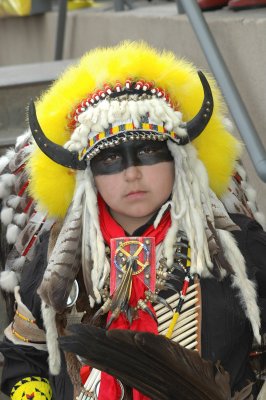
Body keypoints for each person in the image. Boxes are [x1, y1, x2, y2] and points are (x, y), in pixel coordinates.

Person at [0, 41, 265, 400]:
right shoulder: (57, 258)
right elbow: (25, 354)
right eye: (108, 159)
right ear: (86, 174)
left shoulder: (237, 245)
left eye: (148, 151)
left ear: (178, 159)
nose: (131, 173)